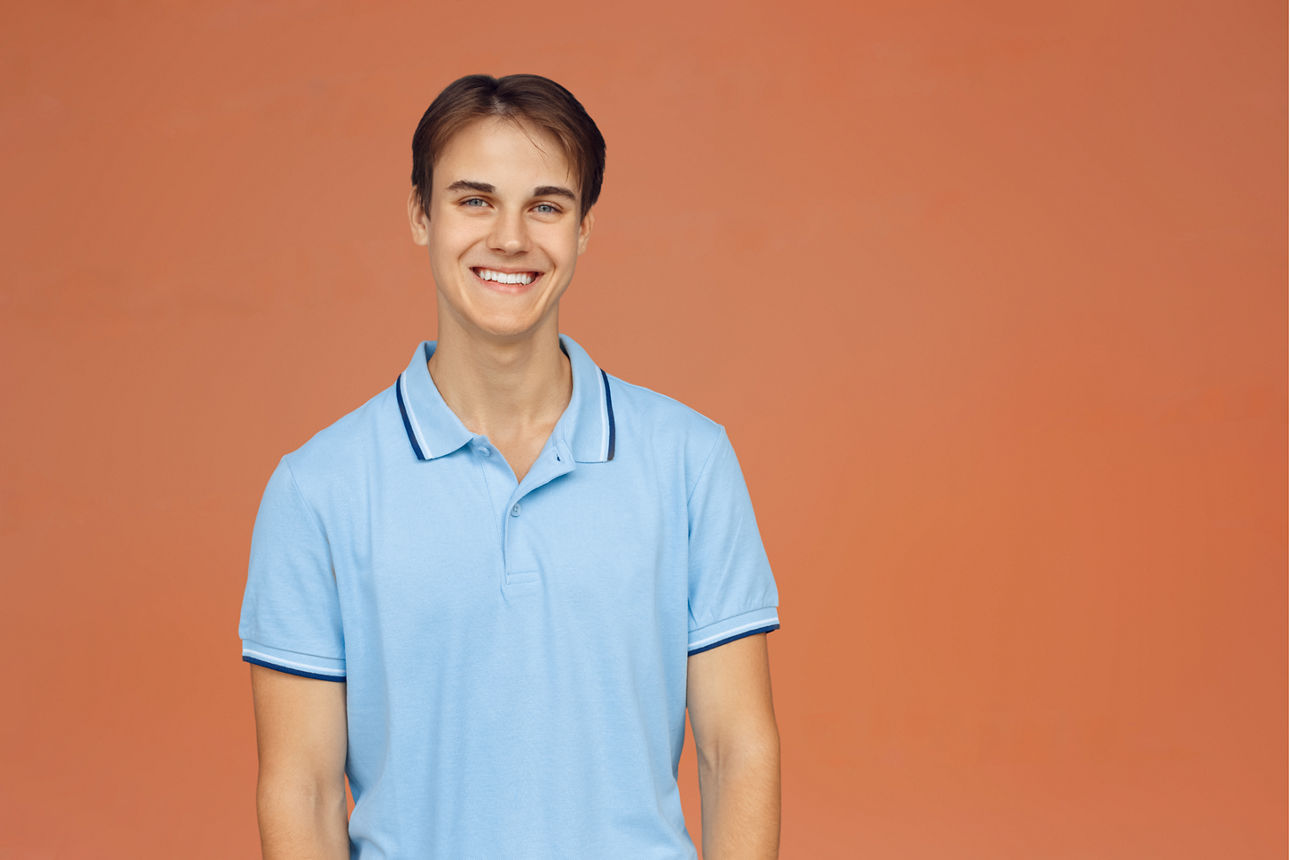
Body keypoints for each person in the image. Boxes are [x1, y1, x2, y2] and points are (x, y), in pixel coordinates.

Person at [238, 73, 782, 859]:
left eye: (546, 206)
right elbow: (304, 789)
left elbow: (737, 753)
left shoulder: (690, 461)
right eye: (474, 200)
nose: (510, 238)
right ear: (421, 215)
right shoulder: (316, 489)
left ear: (584, 229)